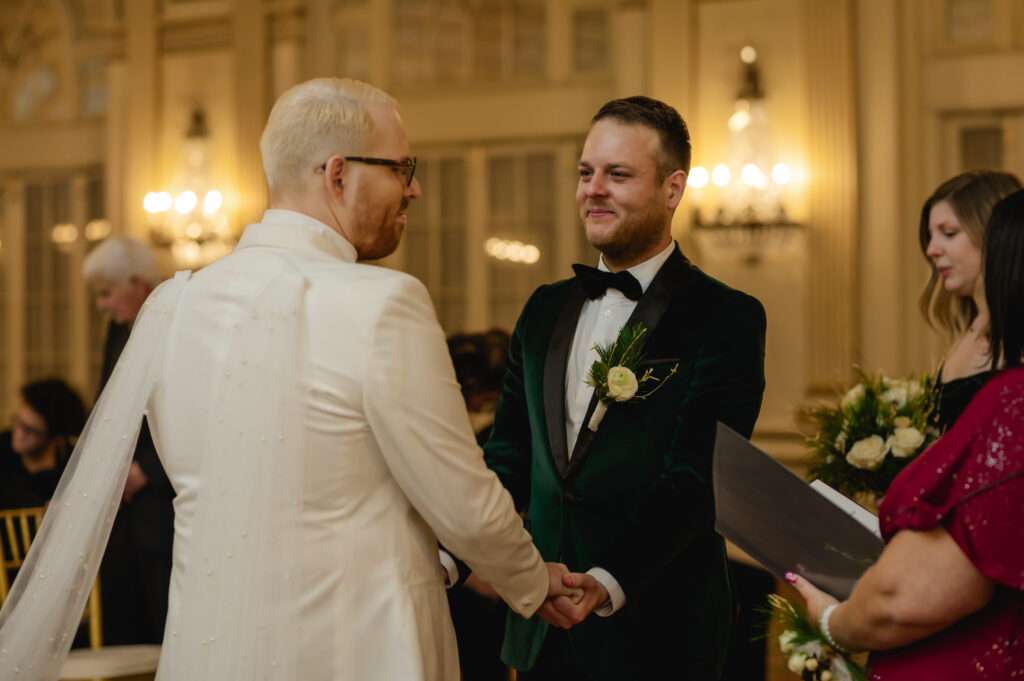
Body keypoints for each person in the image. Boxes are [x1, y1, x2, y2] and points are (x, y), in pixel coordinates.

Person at [0, 78, 595, 681]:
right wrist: (529, 577)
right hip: (358, 645)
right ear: (338, 173)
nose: (413, 188)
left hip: (210, 644)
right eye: (401, 167)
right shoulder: (384, 303)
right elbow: (462, 499)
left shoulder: (174, 305)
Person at [477, 96, 767, 679]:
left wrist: (606, 580)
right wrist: (484, 561)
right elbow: (505, 457)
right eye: (586, 173)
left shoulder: (724, 316)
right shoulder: (542, 310)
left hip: (659, 631)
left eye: (618, 174)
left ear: (672, 189)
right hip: (543, 626)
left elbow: (695, 478)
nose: (594, 189)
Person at [788, 188, 1024, 680]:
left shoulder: (1012, 400)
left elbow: (903, 600)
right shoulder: (973, 345)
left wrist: (833, 622)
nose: (932, 248)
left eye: (949, 233)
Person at [82, 234, 174, 645]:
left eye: (106, 293)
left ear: (138, 284)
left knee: (165, 623)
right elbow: (110, 404)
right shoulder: (117, 330)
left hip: (164, 502)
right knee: (124, 622)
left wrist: (145, 470)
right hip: (122, 509)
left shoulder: (180, 321)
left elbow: (192, 407)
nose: (101, 304)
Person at [918, 170, 1022, 429]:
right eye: (931, 236)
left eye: (949, 233)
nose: (932, 250)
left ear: (995, 233)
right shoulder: (967, 329)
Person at [0, 379, 86, 510]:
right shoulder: (3, 445)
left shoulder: (73, 463)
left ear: (55, 438)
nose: (18, 433)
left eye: (30, 430)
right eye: (18, 421)